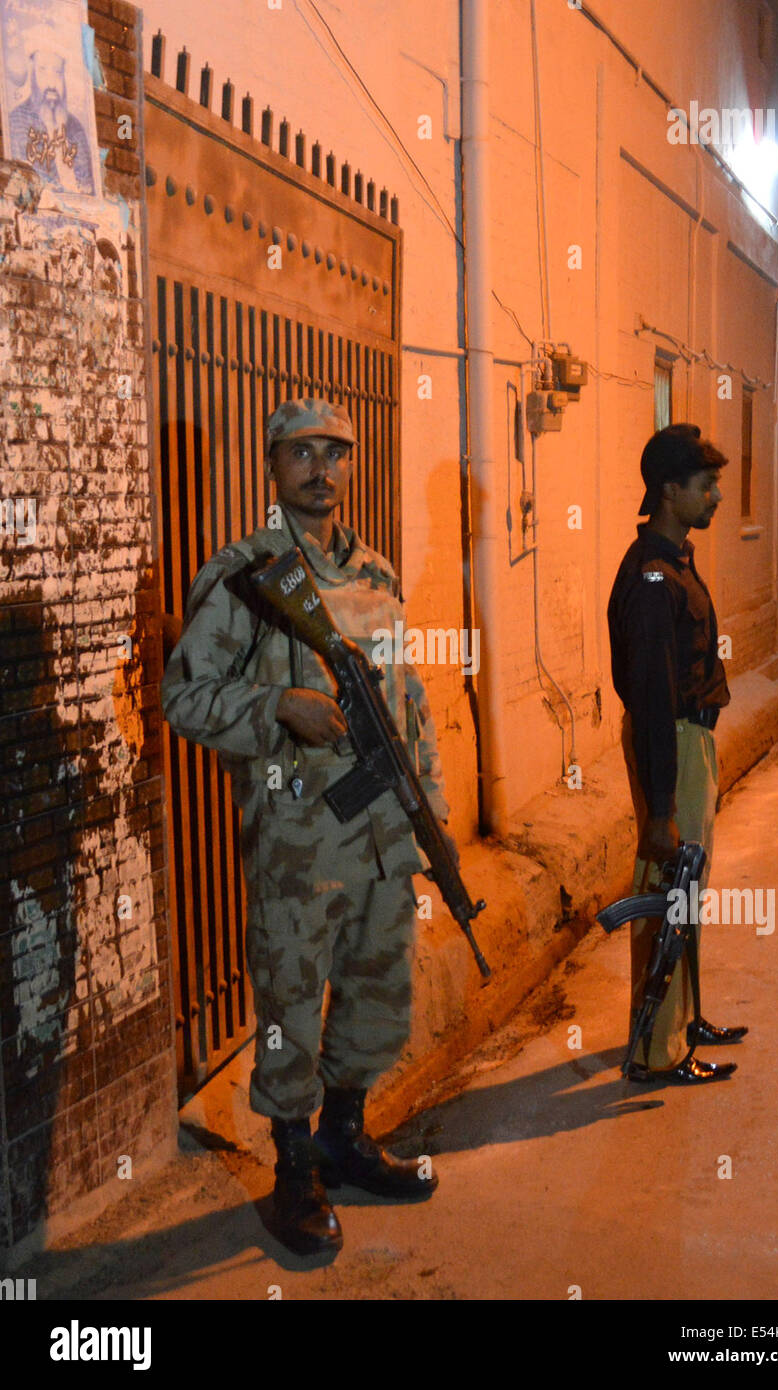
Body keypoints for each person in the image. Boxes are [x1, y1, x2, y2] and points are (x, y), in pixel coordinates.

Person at [161, 397, 452, 1254]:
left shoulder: (378, 575)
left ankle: (347, 1137)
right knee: (290, 1005)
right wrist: (277, 705)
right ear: (272, 465)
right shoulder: (243, 575)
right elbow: (183, 697)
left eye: (336, 454)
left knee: (375, 992)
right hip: (295, 844)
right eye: (301, 454)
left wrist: (426, 808)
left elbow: (411, 707)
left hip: (378, 836)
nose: (322, 470)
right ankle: (294, 1170)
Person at [607, 423, 748, 1083]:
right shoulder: (654, 575)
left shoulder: (674, 557)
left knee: (685, 891)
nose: (716, 495)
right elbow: (654, 697)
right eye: (706, 484)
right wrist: (661, 806)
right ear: (669, 490)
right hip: (674, 741)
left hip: (691, 739)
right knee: (669, 891)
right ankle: (653, 1053)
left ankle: (680, 1018)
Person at [8, 40, 95, 195]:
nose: (52, 82)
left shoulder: (75, 127)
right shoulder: (18, 120)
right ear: (33, 76)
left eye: (57, 72)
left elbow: (88, 185)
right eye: (43, 70)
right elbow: (23, 180)